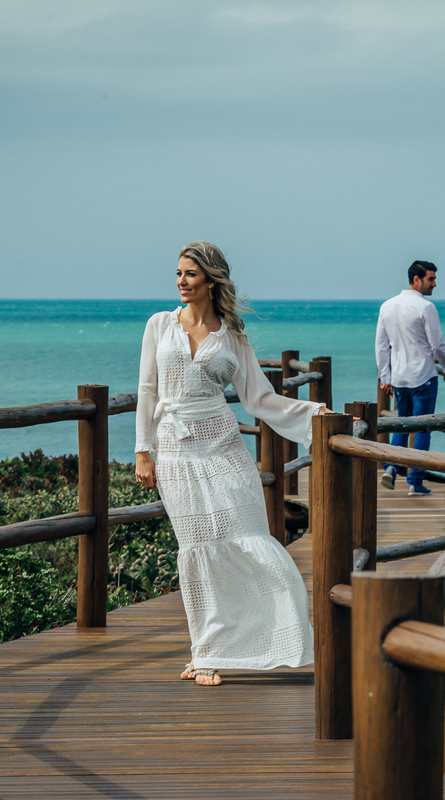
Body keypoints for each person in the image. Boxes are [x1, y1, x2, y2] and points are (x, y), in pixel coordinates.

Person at [135, 241, 328, 687]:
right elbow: (147, 390)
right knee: (198, 547)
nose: (181, 281)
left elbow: (259, 399)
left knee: (250, 537)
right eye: (178, 273)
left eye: (190, 274)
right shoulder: (159, 324)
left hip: (224, 447)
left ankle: (281, 635)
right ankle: (205, 651)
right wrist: (143, 449)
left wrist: (318, 414)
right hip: (175, 452)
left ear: (211, 279)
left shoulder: (231, 336)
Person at [375, 260, 445, 496]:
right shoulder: (426, 307)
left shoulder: (387, 306)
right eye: (431, 279)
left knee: (402, 424)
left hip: (399, 378)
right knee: (422, 429)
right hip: (424, 376)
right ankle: (415, 482)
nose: (434, 284)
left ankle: (390, 467)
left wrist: (385, 377)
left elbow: (381, 345)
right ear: (416, 279)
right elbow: (437, 344)